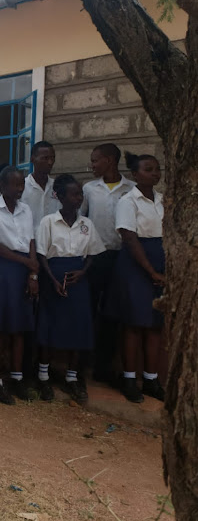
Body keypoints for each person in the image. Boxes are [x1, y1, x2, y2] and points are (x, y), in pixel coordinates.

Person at [36, 175, 105, 402]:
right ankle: (43, 376)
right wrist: (53, 281)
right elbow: (41, 255)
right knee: (50, 326)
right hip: (53, 277)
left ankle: (72, 377)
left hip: (78, 278)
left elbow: (94, 253)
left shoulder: (87, 224)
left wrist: (83, 271)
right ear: (60, 196)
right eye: (74, 194)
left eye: (80, 195)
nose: (78, 198)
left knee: (79, 326)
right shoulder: (48, 222)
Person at [109, 153, 165, 403]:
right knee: (133, 324)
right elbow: (129, 237)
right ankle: (130, 378)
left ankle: (151, 379)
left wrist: (163, 270)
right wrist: (151, 271)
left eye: (157, 169)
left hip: (160, 263)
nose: (155, 173)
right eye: (148, 169)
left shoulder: (163, 201)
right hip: (136, 265)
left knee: (154, 324)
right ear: (135, 174)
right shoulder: (128, 201)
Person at [0, 166, 38, 405]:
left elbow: (31, 241)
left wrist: (33, 272)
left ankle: (16, 377)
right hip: (1, 268)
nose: (18, 189)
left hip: (23, 269)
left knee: (19, 327)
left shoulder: (26, 210)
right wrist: (25, 262)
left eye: (21, 185)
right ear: (2, 186)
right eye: (14, 185)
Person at [80, 143, 135, 383]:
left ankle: (104, 366)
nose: (92, 165)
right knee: (88, 309)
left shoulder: (130, 189)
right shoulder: (89, 189)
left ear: (110, 160)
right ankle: (80, 365)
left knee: (112, 313)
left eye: (95, 160)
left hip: (121, 257)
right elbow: (81, 220)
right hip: (94, 257)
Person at [21, 141, 61, 231]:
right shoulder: (22, 187)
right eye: (45, 158)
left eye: (52, 158)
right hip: (28, 241)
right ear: (32, 159)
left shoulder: (58, 187)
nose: (50, 162)